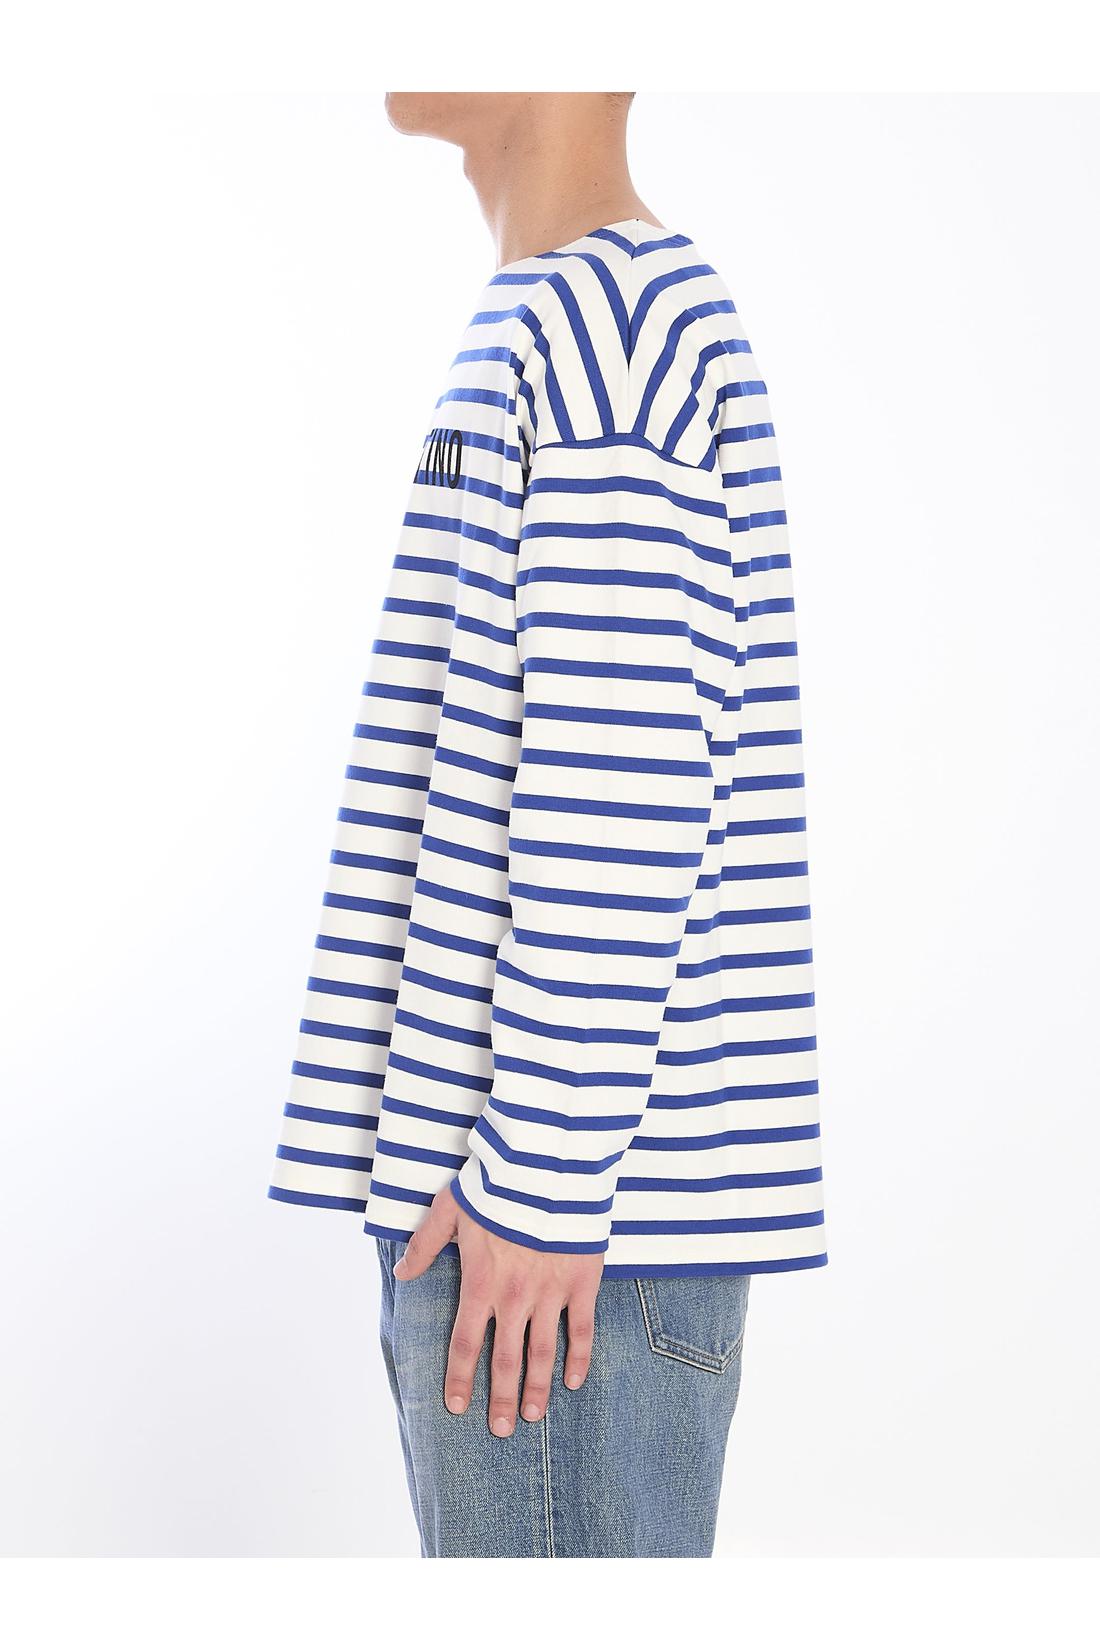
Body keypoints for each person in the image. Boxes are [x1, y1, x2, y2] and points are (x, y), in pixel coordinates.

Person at [268, 91, 828, 1558]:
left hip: (556, 1230)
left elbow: (626, 777)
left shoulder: (611, 329)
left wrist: (539, 1178)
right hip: (524, 1203)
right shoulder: (562, 320)